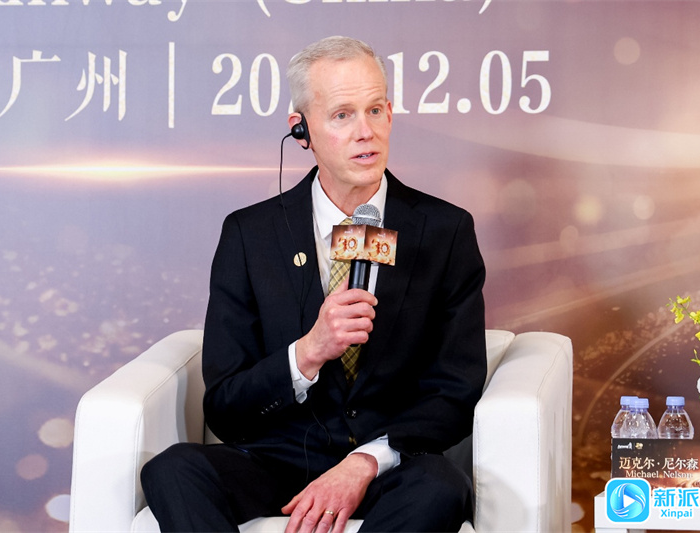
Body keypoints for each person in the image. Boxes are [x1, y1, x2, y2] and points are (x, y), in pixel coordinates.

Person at [141, 35, 487, 533]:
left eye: (375, 110)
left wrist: (363, 463)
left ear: (390, 114)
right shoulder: (250, 235)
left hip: (386, 465)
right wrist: (307, 352)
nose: (365, 132)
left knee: (441, 486)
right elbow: (225, 406)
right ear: (301, 130)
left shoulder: (445, 231)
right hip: (277, 459)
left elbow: (455, 390)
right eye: (342, 115)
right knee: (173, 470)